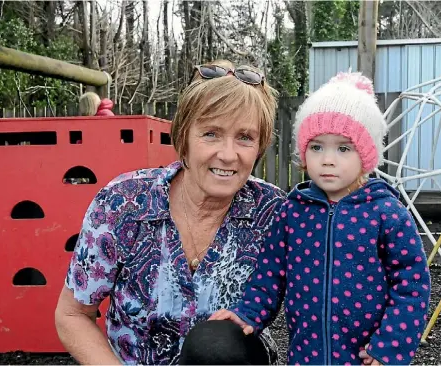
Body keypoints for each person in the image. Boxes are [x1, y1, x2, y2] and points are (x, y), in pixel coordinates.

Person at [55, 60, 285, 365]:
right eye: (211, 134)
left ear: (259, 146)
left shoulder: (276, 213)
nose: (229, 155)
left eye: (245, 137)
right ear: (185, 137)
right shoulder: (124, 203)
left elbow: (332, 283)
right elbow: (72, 314)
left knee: (216, 344)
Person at [210, 72, 431, 365]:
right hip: (306, 355)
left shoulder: (386, 213)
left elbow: (412, 284)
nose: (328, 159)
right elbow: (270, 275)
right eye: (316, 147)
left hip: (367, 357)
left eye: (343, 148)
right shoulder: (292, 212)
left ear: (366, 155)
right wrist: (248, 313)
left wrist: (391, 344)